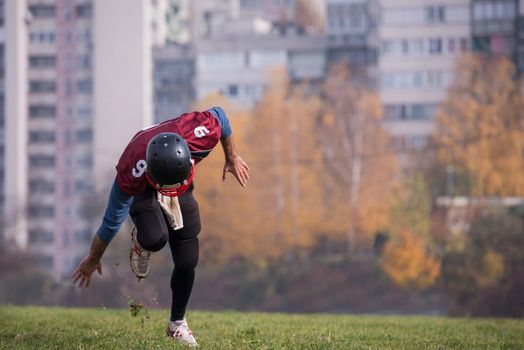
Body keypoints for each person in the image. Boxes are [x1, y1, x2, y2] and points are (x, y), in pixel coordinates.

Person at [72, 107, 250, 346]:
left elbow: (222, 117)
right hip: (144, 185)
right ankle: (141, 244)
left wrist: (232, 156)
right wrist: (94, 257)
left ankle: (177, 324)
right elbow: (111, 223)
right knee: (156, 237)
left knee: (188, 258)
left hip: (178, 176)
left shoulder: (200, 133)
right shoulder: (130, 171)